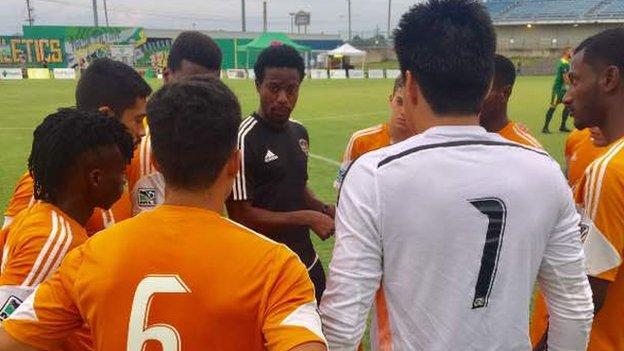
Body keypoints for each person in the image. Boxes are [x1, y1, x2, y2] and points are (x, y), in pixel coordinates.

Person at [319, 1, 594, 350]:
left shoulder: (374, 175)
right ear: (485, 85)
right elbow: (575, 309)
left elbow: (342, 324)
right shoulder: (544, 172)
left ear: (410, 84)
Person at [0, 79, 327, 351]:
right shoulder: (278, 268)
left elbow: (9, 338)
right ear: (234, 162)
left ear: (154, 159)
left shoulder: (87, 257)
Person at [0, 108, 133, 349]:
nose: (124, 181)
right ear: (95, 178)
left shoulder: (46, 221)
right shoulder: (54, 240)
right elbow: (8, 333)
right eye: (121, 172)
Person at [538, 28, 624, 351]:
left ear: (609, 79)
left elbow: (586, 295)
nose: (567, 96)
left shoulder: (609, 170)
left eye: (575, 81)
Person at [227, 44, 335, 302]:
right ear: (258, 85)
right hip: (264, 268)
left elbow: (297, 186)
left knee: (323, 331)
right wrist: (307, 218)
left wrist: (323, 209)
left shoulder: (300, 133)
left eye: (291, 89)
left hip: (305, 259)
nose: (283, 98)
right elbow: (240, 214)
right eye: (274, 88)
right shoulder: (243, 139)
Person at [2, 58, 152, 234]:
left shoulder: (121, 170)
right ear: (106, 115)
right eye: (138, 120)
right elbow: (11, 253)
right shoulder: (44, 181)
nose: (143, 131)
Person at [127, 30, 223, 215]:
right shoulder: (141, 145)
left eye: (210, 86)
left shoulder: (222, 138)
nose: (200, 96)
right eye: (191, 84)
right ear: (167, 76)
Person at [334, 76, 414, 190]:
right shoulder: (360, 140)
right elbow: (342, 188)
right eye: (399, 102)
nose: (403, 112)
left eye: (410, 105)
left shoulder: (427, 145)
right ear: (391, 100)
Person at [480, 54, 543, 148]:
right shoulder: (459, 138)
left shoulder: (527, 150)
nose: (471, 96)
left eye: (481, 89)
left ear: (505, 93)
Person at [542, 47, 573, 133]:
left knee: (567, 106)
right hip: (558, 89)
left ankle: (562, 126)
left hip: (563, 89)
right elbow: (565, 78)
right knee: (553, 107)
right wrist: (572, 85)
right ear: (566, 52)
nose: (572, 53)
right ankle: (545, 127)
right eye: (571, 51)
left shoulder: (564, 62)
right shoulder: (564, 63)